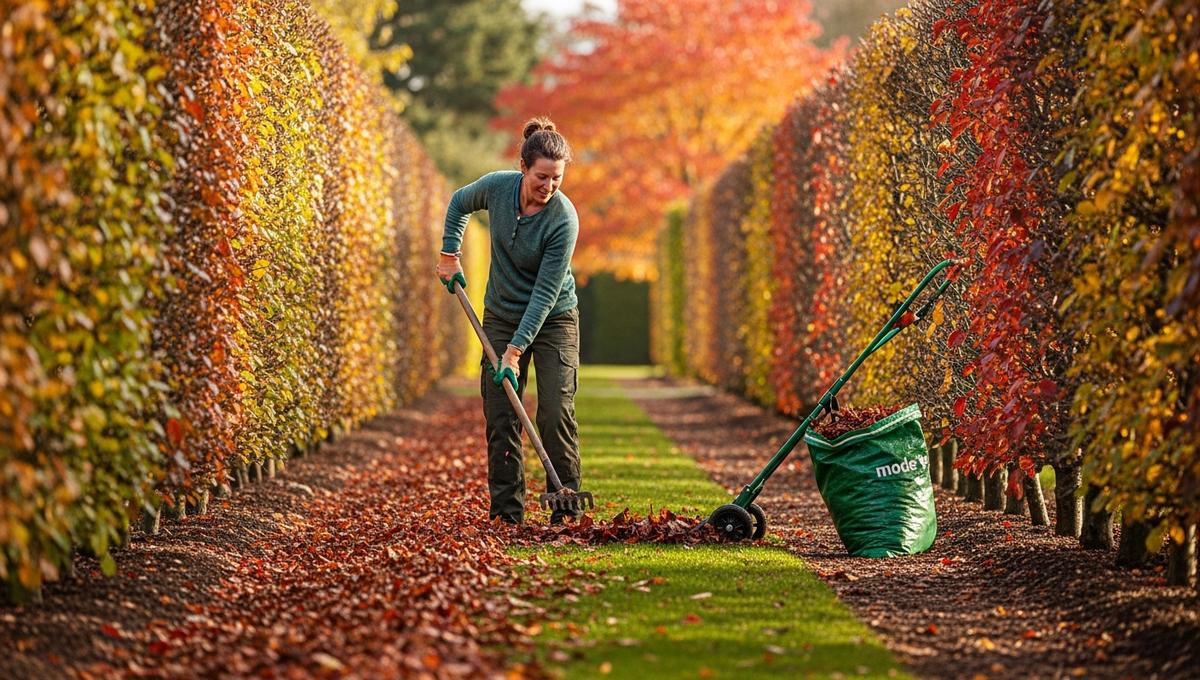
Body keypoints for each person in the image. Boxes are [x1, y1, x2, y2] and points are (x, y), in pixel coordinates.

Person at [436, 117, 582, 525]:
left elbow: (545, 294)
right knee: (501, 415)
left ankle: (566, 512)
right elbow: (459, 203)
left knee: (555, 412)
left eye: (557, 178)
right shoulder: (497, 187)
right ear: (522, 167)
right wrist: (449, 254)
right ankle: (507, 515)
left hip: (553, 320)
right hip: (501, 314)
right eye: (541, 177)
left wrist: (514, 352)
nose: (549, 186)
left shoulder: (564, 219)